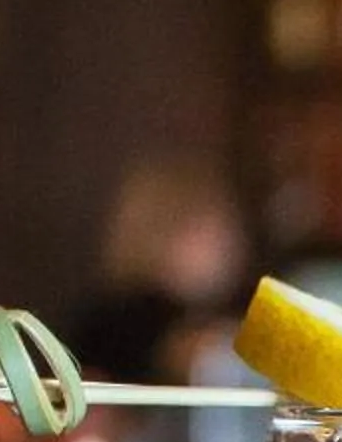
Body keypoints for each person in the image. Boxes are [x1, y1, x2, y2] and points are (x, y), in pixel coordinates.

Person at [65, 159, 248, 384]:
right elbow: (190, 358)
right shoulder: (122, 317)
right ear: (158, 232)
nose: (224, 243)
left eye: (225, 228)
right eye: (203, 229)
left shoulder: (216, 309)